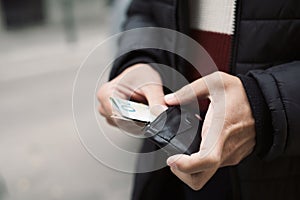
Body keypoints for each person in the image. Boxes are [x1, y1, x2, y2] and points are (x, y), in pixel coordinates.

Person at [97, 0, 300, 199]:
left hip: (278, 162)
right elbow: (145, 9)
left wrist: (264, 103)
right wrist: (140, 59)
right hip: (172, 152)